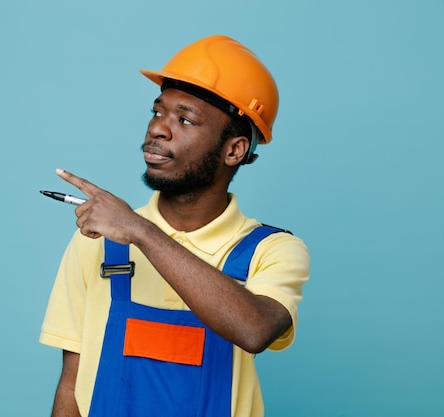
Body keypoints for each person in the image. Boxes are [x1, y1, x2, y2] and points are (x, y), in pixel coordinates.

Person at [39, 34, 310, 417]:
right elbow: (72, 381)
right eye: (157, 112)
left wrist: (140, 231)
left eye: (184, 119)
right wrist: (128, 229)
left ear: (234, 150)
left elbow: (255, 330)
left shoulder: (272, 251)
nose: (158, 130)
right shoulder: (97, 239)